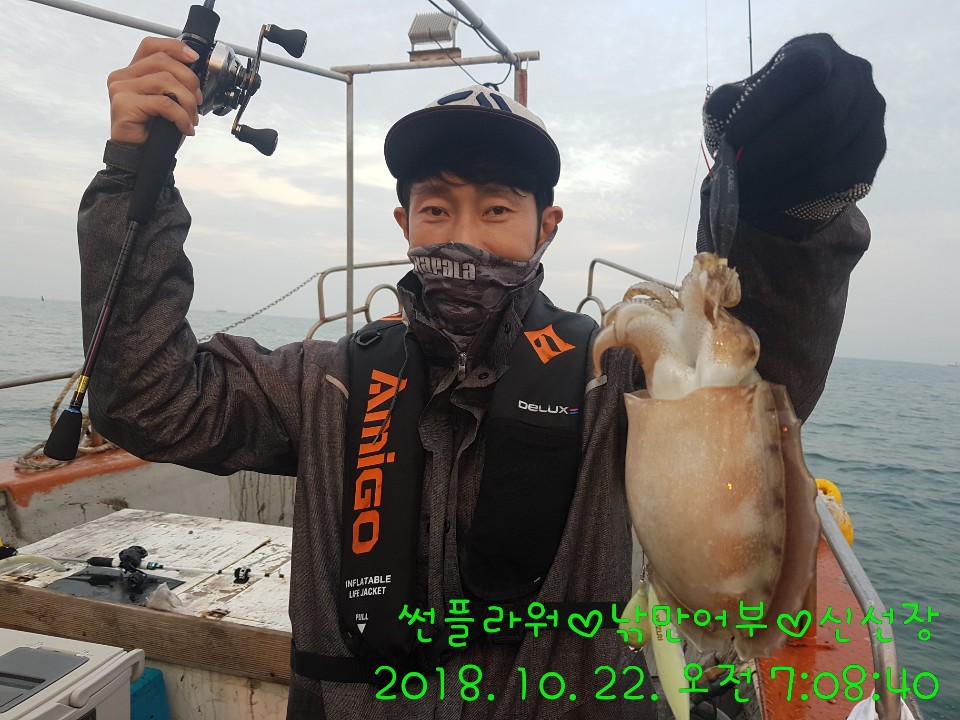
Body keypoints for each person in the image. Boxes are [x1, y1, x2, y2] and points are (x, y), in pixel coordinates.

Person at [80, 31, 885, 720]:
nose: (463, 236)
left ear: (546, 228)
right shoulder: (324, 385)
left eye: (498, 210)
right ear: (405, 224)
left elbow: (757, 385)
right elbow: (149, 400)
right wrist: (131, 174)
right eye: (437, 209)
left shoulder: (616, 385)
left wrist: (797, 216)